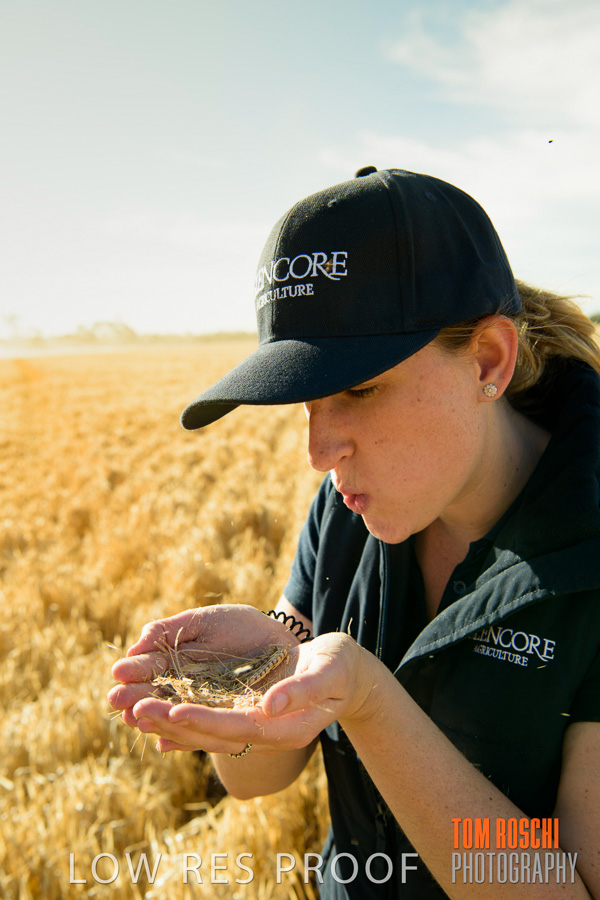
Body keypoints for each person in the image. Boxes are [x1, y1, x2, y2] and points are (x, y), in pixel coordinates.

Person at [109, 167, 600, 899]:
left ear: (488, 361)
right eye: (306, 400)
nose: (319, 452)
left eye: (361, 388)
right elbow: (256, 778)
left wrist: (371, 705)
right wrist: (258, 683)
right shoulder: (347, 508)